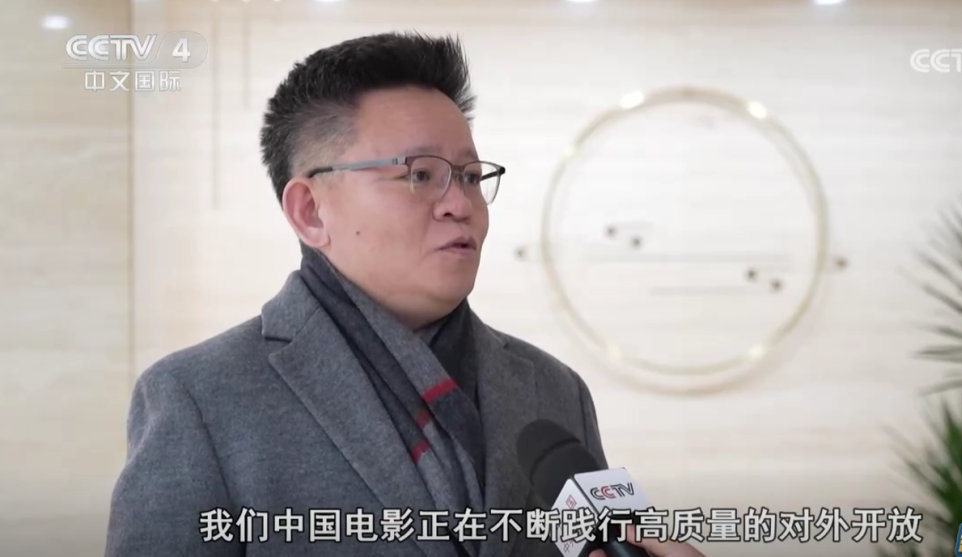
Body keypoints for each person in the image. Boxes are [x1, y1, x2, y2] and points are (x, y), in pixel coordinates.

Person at [103, 32, 705, 557]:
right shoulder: (200, 398)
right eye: (420, 175)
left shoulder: (553, 390)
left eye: (470, 176)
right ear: (310, 211)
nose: (459, 203)